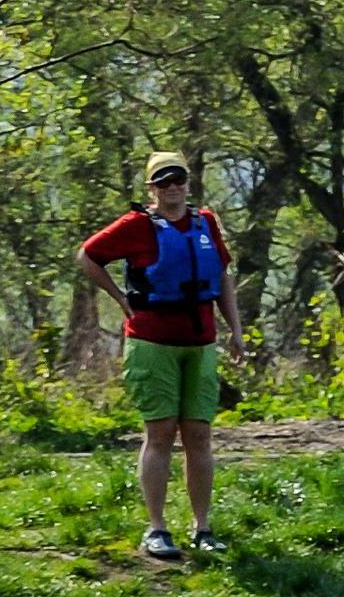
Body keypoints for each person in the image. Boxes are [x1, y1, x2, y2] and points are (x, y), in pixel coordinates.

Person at [79, 154, 241, 560]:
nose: (172, 188)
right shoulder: (136, 226)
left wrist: (235, 329)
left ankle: (202, 527)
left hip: (200, 342)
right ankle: (157, 529)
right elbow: (88, 256)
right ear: (151, 188)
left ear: (188, 183)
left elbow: (221, 276)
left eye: (178, 180)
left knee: (199, 434)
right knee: (161, 433)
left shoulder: (206, 223)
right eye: (162, 182)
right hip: (152, 342)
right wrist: (119, 299)